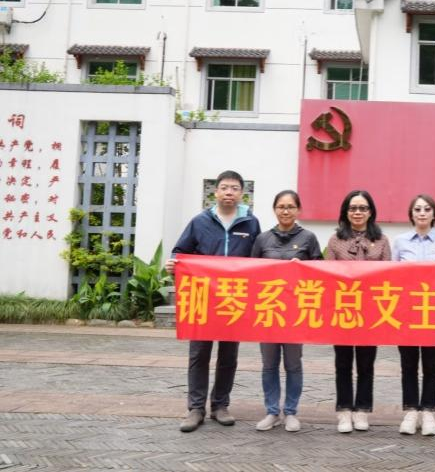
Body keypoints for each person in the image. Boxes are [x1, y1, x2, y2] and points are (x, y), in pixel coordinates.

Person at [166, 170, 261, 433]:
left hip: (234, 299)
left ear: (242, 193)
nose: (229, 192)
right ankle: (196, 408)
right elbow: (180, 252)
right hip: (203, 299)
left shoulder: (251, 224)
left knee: (229, 355)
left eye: (234, 188)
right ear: (216, 192)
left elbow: (260, 259)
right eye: (225, 187)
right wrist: (174, 264)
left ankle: (220, 405)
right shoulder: (199, 222)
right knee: (199, 354)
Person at [251, 190, 322, 433]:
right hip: (269, 311)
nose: (285, 211)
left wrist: (304, 268)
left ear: (298, 210)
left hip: (295, 313)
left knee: (293, 364)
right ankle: (272, 411)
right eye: (281, 206)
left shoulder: (308, 238)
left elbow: (321, 272)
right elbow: (250, 273)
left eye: (290, 206)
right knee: (269, 365)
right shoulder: (262, 239)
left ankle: (291, 411)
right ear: (274, 209)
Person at [325, 189, 392, 433]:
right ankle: (344, 410)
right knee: (342, 363)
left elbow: (388, 276)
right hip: (343, 309)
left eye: (362, 208)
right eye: (353, 208)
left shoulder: (382, 240)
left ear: (370, 212)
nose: (357, 212)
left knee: (366, 363)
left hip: (371, 311)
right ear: (346, 212)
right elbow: (328, 275)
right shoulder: (335, 240)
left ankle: (362, 409)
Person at [391, 194, 435, 437]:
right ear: (411, 214)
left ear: (434, 213)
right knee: (408, 363)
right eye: (417, 209)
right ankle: (410, 411)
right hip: (406, 311)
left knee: (431, 364)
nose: (422, 213)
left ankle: (428, 411)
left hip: (433, 311)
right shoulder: (400, 241)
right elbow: (391, 277)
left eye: (427, 209)